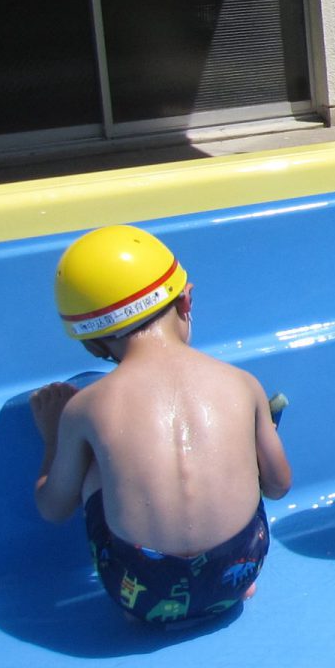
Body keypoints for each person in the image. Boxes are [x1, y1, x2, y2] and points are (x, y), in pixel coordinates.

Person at [32, 225, 291, 627]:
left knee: (98, 462)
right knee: (245, 444)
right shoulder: (241, 383)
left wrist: (52, 437)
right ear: (186, 300)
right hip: (237, 572)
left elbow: (53, 507)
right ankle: (221, 586)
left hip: (139, 594)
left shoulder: (84, 408)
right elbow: (278, 486)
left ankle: (145, 604)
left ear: (92, 345)